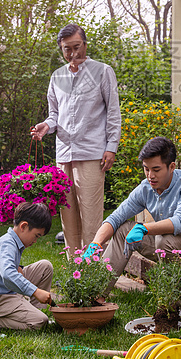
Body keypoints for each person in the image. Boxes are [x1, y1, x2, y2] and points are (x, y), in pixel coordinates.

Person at [83, 136, 181, 292]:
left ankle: (175, 301)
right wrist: (96, 243)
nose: (150, 175)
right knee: (124, 229)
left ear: (171, 167)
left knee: (165, 240)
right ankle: (97, 294)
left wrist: (144, 228)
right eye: (146, 169)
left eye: (156, 170)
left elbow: (180, 222)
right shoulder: (146, 188)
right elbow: (115, 218)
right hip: (172, 249)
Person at [30, 23, 121, 255]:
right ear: (61, 49)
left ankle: (92, 273)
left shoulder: (102, 71)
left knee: (91, 219)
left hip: (92, 154)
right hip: (63, 156)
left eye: (76, 47)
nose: (72, 54)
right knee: (68, 219)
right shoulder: (57, 76)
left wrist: (112, 147)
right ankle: (75, 274)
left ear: (85, 45)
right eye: (66, 49)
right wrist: (45, 126)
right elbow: (55, 115)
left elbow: (113, 112)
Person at [0, 202, 53, 331]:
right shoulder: (7, 243)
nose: (35, 241)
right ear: (24, 226)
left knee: (45, 267)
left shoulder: (14, 241)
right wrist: (35, 291)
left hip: (5, 289)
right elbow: (8, 275)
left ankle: (33, 311)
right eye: (36, 235)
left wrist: (19, 267)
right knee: (40, 322)